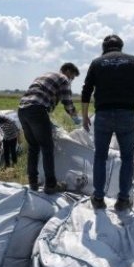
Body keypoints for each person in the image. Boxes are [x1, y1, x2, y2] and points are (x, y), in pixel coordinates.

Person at [81, 34, 134, 210]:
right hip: (126, 115)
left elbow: (86, 90)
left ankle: (98, 198)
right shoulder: (133, 61)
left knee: (100, 157)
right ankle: (123, 200)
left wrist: (85, 115)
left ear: (104, 47)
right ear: (121, 46)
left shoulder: (97, 63)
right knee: (127, 158)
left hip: (102, 115)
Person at [18, 63, 81, 194]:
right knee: (47, 147)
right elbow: (67, 101)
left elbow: (43, 97)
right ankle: (51, 185)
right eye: (72, 77)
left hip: (23, 110)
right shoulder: (63, 78)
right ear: (68, 71)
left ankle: (33, 182)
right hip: (37, 110)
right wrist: (75, 117)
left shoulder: (44, 75)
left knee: (33, 147)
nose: (71, 80)